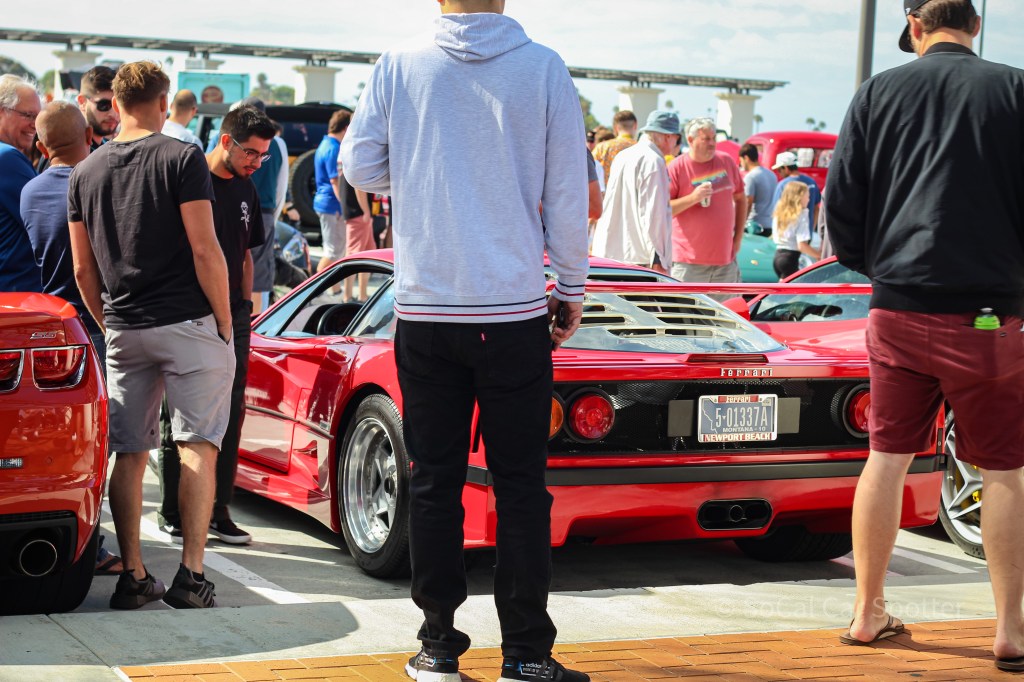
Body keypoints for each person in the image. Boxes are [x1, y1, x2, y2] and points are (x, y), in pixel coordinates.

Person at [340, 1, 590, 680]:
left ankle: (436, 646)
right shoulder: (542, 68)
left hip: (427, 306)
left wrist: (422, 175)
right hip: (511, 308)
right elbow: (567, 191)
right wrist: (571, 285)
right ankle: (527, 655)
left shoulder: (399, 64)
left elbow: (358, 165)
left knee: (433, 480)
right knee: (520, 486)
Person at [826, 1, 1024, 673]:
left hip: (898, 309)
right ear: (975, 24)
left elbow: (841, 202)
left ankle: (867, 612)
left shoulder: (877, 92)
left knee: (886, 457)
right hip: (989, 316)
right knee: (1003, 469)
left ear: (915, 25)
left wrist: (882, 268)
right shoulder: (1014, 89)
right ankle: (1010, 629)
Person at [68, 61, 234, 610]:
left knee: (130, 452)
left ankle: (134, 575)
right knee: (196, 446)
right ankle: (191, 576)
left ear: (114, 104)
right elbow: (206, 249)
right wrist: (224, 321)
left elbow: (83, 269)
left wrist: (107, 321)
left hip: (124, 326)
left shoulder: (84, 172)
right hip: (187, 322)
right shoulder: (182, 157)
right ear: (164, 103)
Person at [157, 104, 272, 547]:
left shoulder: (247, 187)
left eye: (263, 155)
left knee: (230, 411)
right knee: (178, 414)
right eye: (250, 153)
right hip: (188, 311)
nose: (256, 163)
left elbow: (245, 254)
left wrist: (244, 308)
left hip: (234, 316)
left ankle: (218, 510)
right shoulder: (190, 179)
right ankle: (173, 511)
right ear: (226, 141)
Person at [591, 110, 676, 271]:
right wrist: (658, 259)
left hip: (607, 250)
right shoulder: (653, 161)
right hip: (637, 259)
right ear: (668, 136)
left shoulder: (622, 155)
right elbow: (654, 215)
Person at [667, 117, 746, 287]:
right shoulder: (677, 167)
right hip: (688, 264)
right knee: (686, 306)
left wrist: (738, 238)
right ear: (690, 140)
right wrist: (693, 198)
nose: (712, 143)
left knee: (729, 306)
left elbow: (741, 199)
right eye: (706, 139)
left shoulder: (726, 162)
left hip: (725, 263)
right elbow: (664, 209)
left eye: (714, 138)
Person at [0, 73, 42, 293]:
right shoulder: (7, 158)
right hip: (17, 294)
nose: (35, 125)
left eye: (38, 117)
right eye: (28, 115)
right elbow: (49, 220)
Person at [312, 109, 349, 274]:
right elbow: (335, 181)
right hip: (332, 205)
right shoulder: (334, 148)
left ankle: (332, 286)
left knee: (335, 251)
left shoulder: (325, 144)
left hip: (326, 203)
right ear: (346, 128)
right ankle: (315, 284)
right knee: (334, 252)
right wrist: (345, 205)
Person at [770, 181, 818, 279]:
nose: (809, 200)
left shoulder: (780, 213)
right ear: (799, 197)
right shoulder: (801, 215)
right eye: (807, 196)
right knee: (797, 287)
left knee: (783, 287)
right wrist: (819, 255)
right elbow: (802, 245)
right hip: (790, 259)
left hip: (777, 257)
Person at [770, 151, 821, 227]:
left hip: (787, 232)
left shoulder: (783, 185)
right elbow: (816, 208)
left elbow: (777, 211)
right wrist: (811, 228)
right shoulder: (811, 182)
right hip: (807, 231)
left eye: (779, 170)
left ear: (786, 168)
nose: (779, 173)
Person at [77, 66, 120, 151]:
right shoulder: (71, 150)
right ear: (82, 102)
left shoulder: (109, 148)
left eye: (118, 105)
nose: (113, 113)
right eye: (104, 105)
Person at [739, 143, 777, 236]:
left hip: (754, 226)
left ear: (746, 158)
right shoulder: (772, 175)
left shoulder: (750, 177)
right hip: (770, 224)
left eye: (741, 161)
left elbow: (748, 202)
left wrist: (740, 224)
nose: (741, 164)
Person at [592, 110, 637, 185]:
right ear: (635, 125)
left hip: (607, 191)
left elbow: (590, 169)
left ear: (615, 127)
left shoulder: (602, 147)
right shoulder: (643, 148)